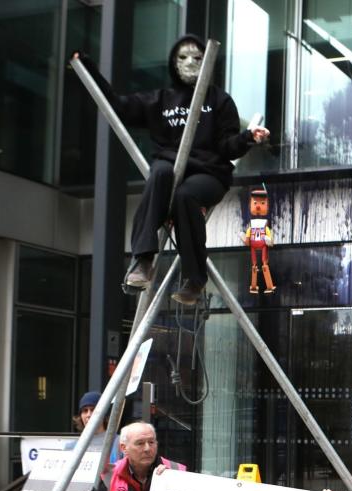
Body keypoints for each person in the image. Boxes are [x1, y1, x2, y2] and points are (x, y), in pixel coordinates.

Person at [73, 35, 270, 306]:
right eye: (183, 57)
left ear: (207, 63)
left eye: (197, 57)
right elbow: (118, 106)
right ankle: (143, 259)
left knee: (185, 197)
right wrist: (87, 68)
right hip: (170, 166)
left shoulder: (220, 101)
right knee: (160, 173)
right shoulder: (160, 100)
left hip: (208, 172)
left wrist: (248, 137)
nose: (190, 62)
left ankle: (195, 278)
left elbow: (227, 147)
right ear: (173, 63)